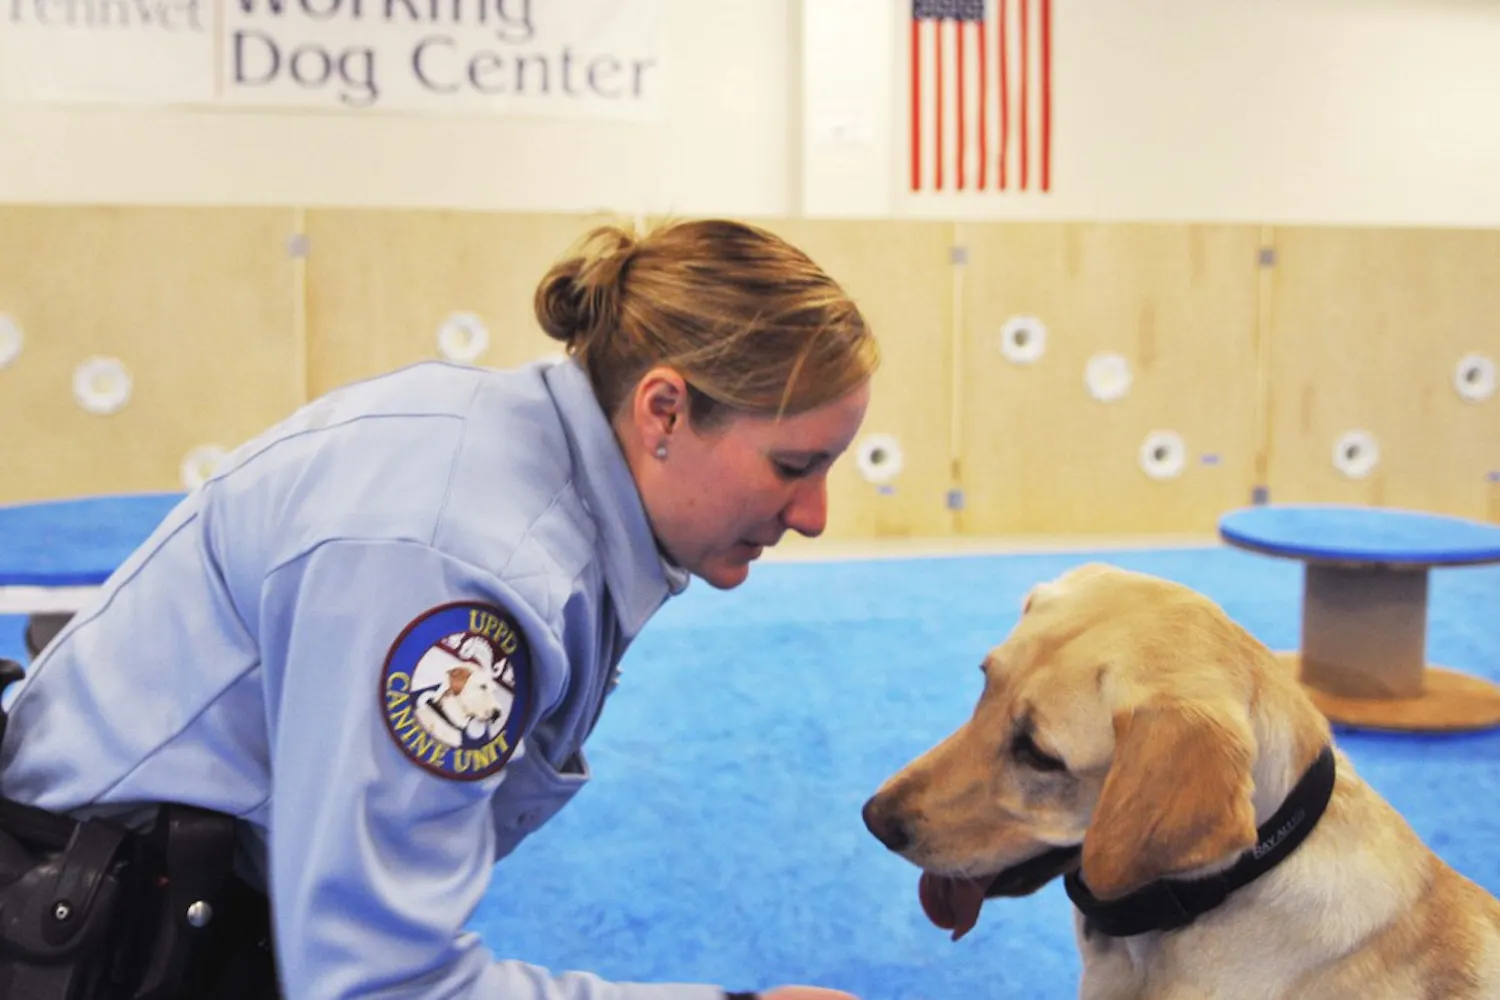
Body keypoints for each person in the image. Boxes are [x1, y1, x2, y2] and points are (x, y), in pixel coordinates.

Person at [0, 217, 879, 1000]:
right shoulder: (460, 568)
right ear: (664, 410)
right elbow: (375, 983)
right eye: (793, 467)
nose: (814, 517)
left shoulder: (518, 463)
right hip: (93, 939)